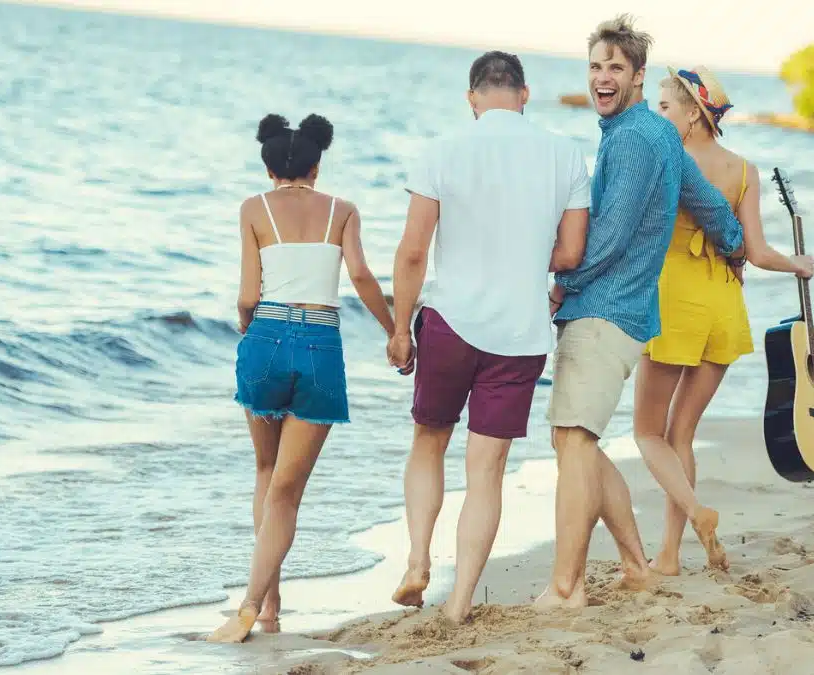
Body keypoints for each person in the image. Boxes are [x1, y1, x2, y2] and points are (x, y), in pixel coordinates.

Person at [539, 15, 746, 609]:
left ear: (637, 76)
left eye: (615, 68)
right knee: (573, 439)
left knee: (574, 441)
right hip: (630, 316)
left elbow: (611, 235)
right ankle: (634, 562)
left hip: (604, 309)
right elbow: (714, 209)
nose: (603, 78)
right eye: (596, 67)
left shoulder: (631, 138)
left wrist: (561, 284)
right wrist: (732, 250)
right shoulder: (660, 135)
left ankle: (565, 587)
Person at [386, 50, 591, 624]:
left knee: (429, 441)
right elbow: (571, 254)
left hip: (451, 321)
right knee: (487, 471)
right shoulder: (565, 154)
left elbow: (412, 252)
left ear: (472, 97)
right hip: (521, 334)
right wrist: (523, 258)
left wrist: (400, 328)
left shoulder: (442, 150)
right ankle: (457, 603)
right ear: (524, 95)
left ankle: (418, 561)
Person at [207, 113, 396, 643]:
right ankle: (253, 604)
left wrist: (252, 327)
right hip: (320, 347)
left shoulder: (253, 209)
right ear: (318, 164)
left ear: (268, 167)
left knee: (265, 473)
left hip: (265, 339)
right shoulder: (343, 210)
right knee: (287, 493)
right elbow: (359, 275)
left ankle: (269, 606)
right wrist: (395, 331)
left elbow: (248, 294)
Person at [636, 66, 814, 576]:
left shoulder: (668, 160)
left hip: (675, 304)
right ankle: (668, 555)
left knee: (648, 434)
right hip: (724, 306)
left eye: (666, 107)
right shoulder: (744, 170)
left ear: (693, 112)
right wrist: (797, 264)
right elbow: (756, 252)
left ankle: (694, 517)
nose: (659, 116)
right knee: (682, 436)